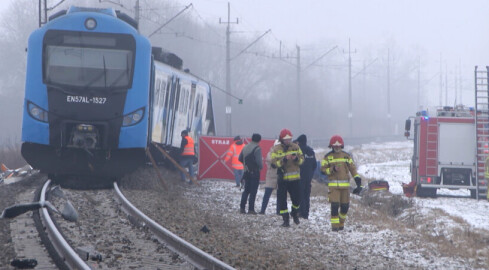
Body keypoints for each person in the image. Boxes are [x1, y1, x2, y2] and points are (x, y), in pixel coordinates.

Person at [321, 135, 362, 232]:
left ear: (341, 146)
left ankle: (341, 223)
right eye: (335, 146)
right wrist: (332, 169)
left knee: (345, 207)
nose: (337, 148)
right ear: (331, 146)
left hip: (345, 187)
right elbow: (322, 170)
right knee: (334, 206)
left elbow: (353, 169)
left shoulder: (346, 156)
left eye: (338, 146)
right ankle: (334, 226)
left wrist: (358, 182)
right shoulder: (327, 157)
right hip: (333, 187)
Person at [271, 129, 304, 227]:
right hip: (283, 179)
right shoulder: (276, 149)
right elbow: (273, 163)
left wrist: (296, 159)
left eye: (289, 139)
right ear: (281, 139)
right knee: (282, 200)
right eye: (285, 139)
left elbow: (302, 160)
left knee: (297, 199)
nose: (287, 141)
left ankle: (294, 213)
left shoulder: (296, 147)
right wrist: (284, 160)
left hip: (295, 179)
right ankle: (285, 219)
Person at [238, 133, 263, 214]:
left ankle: (242, 208)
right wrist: (260, 167)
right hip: (254, 172)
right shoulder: (257, 148)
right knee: (253, 191)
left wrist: (246, 165)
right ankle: (251, 209)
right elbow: (259, 162)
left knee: (246, 190)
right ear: (259, 140)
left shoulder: (245, 147)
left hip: (246, 172)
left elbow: (240, 158)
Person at [296, 134, 317, 219]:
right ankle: (306, 213)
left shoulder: (299, 151)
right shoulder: (311, 151)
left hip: (300, 175)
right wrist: (311, 173)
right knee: (307, 195)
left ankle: (302, 212)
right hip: (309, 176)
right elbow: (315, 165)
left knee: (300, 194)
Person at [259, 140, 281, 215]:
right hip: (271, 176)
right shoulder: (270, 153)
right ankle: (262, 210)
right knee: (267, 194)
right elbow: (272, 160)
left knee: (280, 195)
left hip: (279, 176)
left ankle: (278, 211)